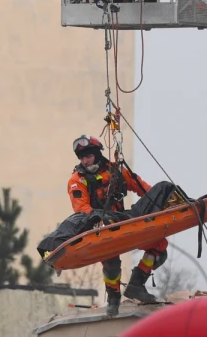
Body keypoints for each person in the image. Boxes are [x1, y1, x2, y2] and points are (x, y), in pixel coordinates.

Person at [68, 134, 167, 315]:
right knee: (111, 262)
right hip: (100, 226)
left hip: (122, 219)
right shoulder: (77, 180)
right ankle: (113, 299)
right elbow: (81, 208)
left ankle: (136, 285)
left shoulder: (116, 171)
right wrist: (98, 220)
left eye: (88, 156)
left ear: (97, 154)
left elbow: (142, 187)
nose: (85, 161)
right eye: (82, 157)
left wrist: (160, 202)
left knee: (159, 245)